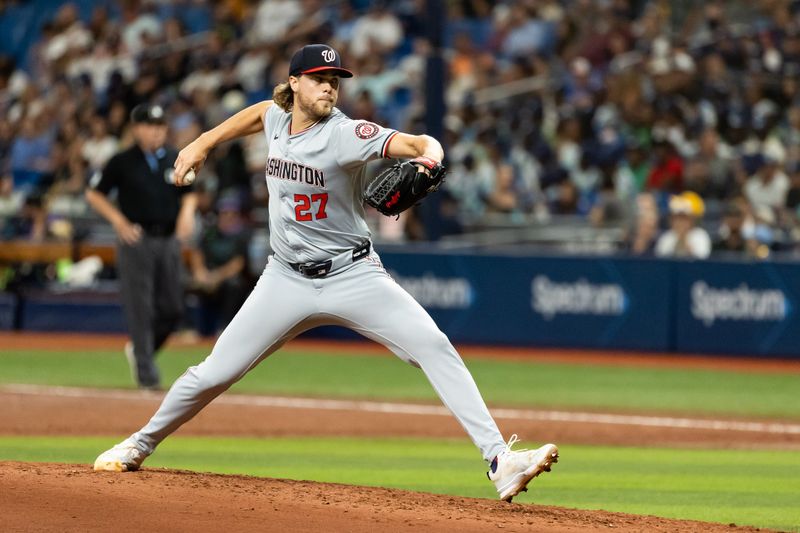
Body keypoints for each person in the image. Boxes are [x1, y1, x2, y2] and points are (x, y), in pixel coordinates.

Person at [93, 44, 558, 502]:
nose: (329, 88)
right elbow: (258, 114)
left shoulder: (346, 133)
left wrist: (430, 153)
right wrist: (202, 142)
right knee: (213, 373)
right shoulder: (277, 117)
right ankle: (139, 443)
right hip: (285, 279)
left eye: (334, 81)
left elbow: (414, 144)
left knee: (433, 346)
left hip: (353, 274)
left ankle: (500, 460)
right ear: (294, 83)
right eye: (319, 79)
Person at [85, 103, 198, 389]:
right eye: (150, 126)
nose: (156, 132)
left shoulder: (174, 157)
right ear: (136, 129)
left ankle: (139, 352)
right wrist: (119, 221)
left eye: (160, 126)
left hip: (169, 239)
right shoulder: (122, 161)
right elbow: (95, 194)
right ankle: (148, 377)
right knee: (141, 308)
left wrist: (186, 213)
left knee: (173, 308)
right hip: (137, 240)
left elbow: (190, 193)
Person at [189, 193, 252, 336]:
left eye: (232, 213)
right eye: (225, 212)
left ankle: (224, 328)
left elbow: (238, 264)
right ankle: (189, 328)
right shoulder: (211, 231)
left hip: (226, 278)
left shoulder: (242, 234)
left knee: (234, 284)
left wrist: (217, 277)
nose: (228, 216)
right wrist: (200, 271)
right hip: (208, 275)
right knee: (185, 281)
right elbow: (196, 252)